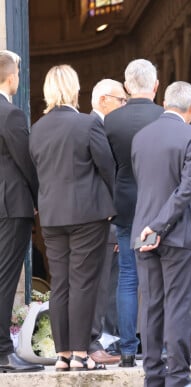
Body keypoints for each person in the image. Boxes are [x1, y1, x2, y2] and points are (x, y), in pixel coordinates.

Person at [29, 64, 116, 371]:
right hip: (88, 213)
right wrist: (113, 205)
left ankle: (63, 355)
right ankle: (81, 353)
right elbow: (107, 168)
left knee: (61, 285)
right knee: (83, 283)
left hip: (52, 217)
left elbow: (36, 173)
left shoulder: (36, 129)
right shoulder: (87, 124)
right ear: (75, 89)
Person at [131, 81, 191, 386]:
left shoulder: (140, 137)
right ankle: (178, 378)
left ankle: (153, 376)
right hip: (178, 232)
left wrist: (151, 226)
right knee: (178, 305)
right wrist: (161, 225)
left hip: (143, 230)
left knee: (150, 305)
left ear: (164, 103)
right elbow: (186, 188)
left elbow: (144, 184)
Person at [104, 59, 164, 367]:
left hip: (125, 205)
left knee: (127, 277)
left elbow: (105, 168)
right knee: (160, 278)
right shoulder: (166, 118)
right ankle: (160, 349)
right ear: (155, 86)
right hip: (160, 206)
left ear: (127, 86)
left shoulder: (110, 121)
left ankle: (128, 350)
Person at [0, 50, 43, 373]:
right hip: (10, 205)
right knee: (4, 277)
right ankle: (2, 351)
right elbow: (26, 162)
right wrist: (40, 196)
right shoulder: (10, 114)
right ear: (10, 76)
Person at [88, 78, 126, 365]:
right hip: (101, 220)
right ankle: (97, 339)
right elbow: (107, 176)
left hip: (106, 220)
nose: (124, 105)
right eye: (120, 100)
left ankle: (107, 336)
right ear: (103, 100)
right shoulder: (93, 126)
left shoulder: (106, 127)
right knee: (102, 284)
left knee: (111, 283)